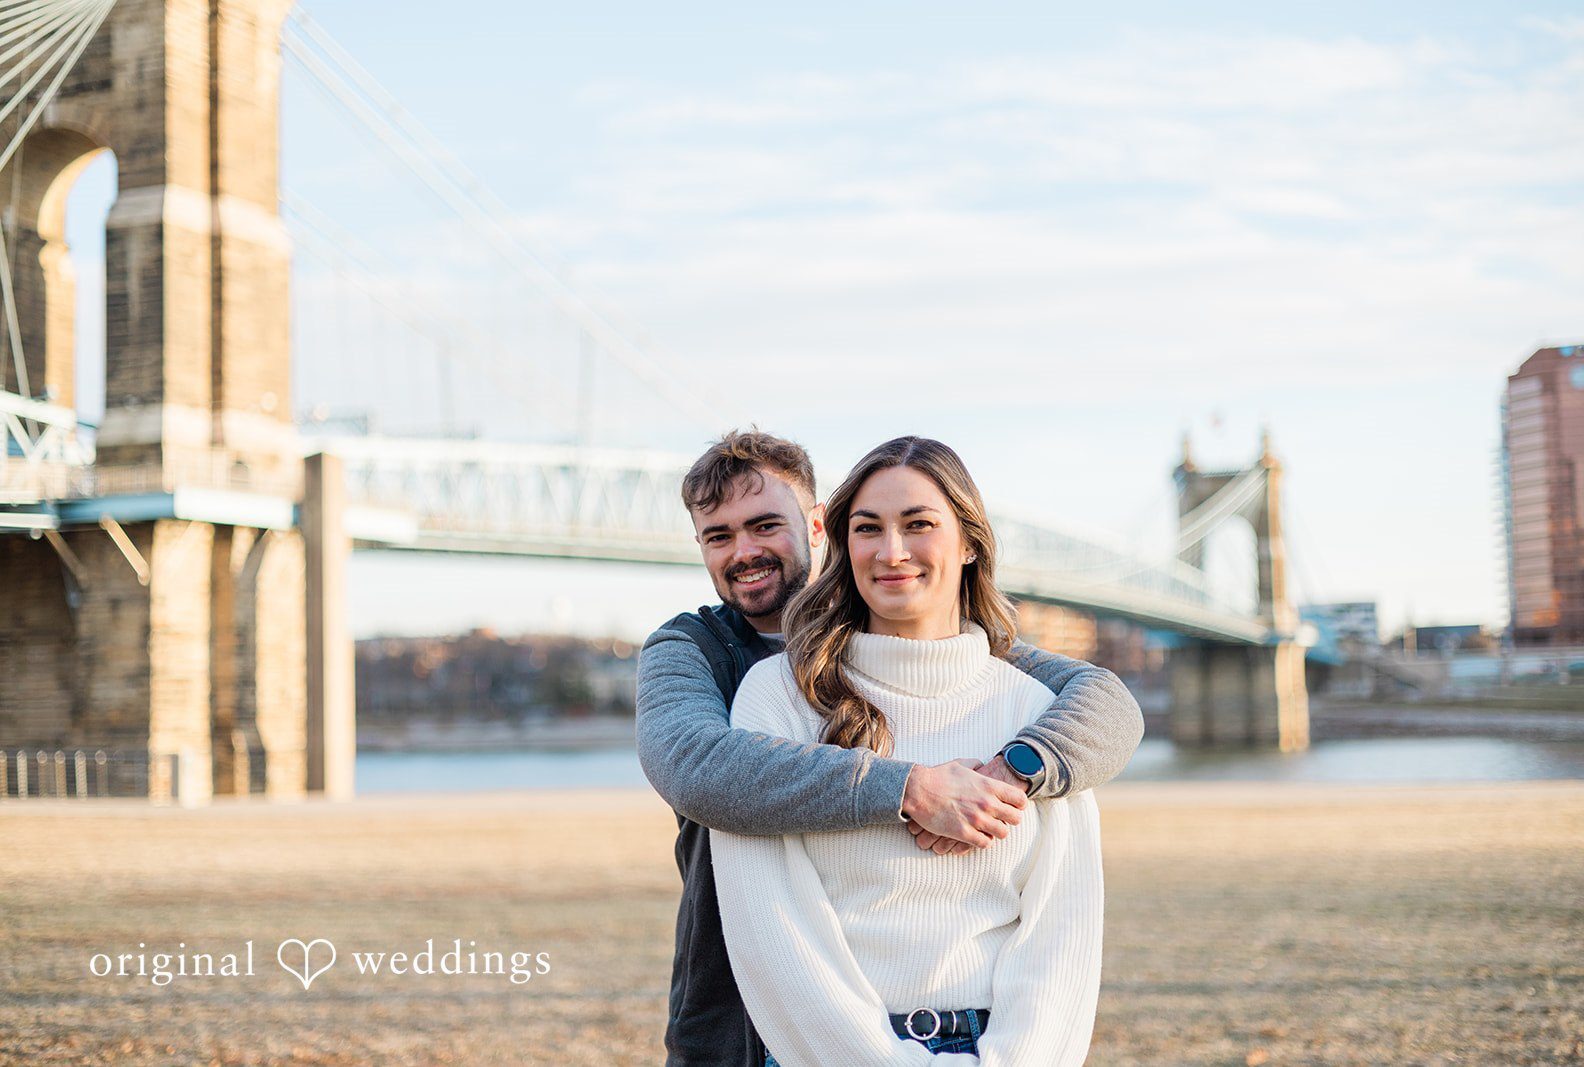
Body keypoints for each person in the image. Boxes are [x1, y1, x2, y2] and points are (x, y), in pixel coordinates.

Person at [636, 430, 1139, 1067]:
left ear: (820, 528)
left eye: (765, 525)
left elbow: (1105, 700)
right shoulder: (702, 656)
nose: (744, 551)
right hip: (744, 1015)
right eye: (718, 536)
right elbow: (698, 769)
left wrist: (1014, 771)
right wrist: (911, 789)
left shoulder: (996, 674)